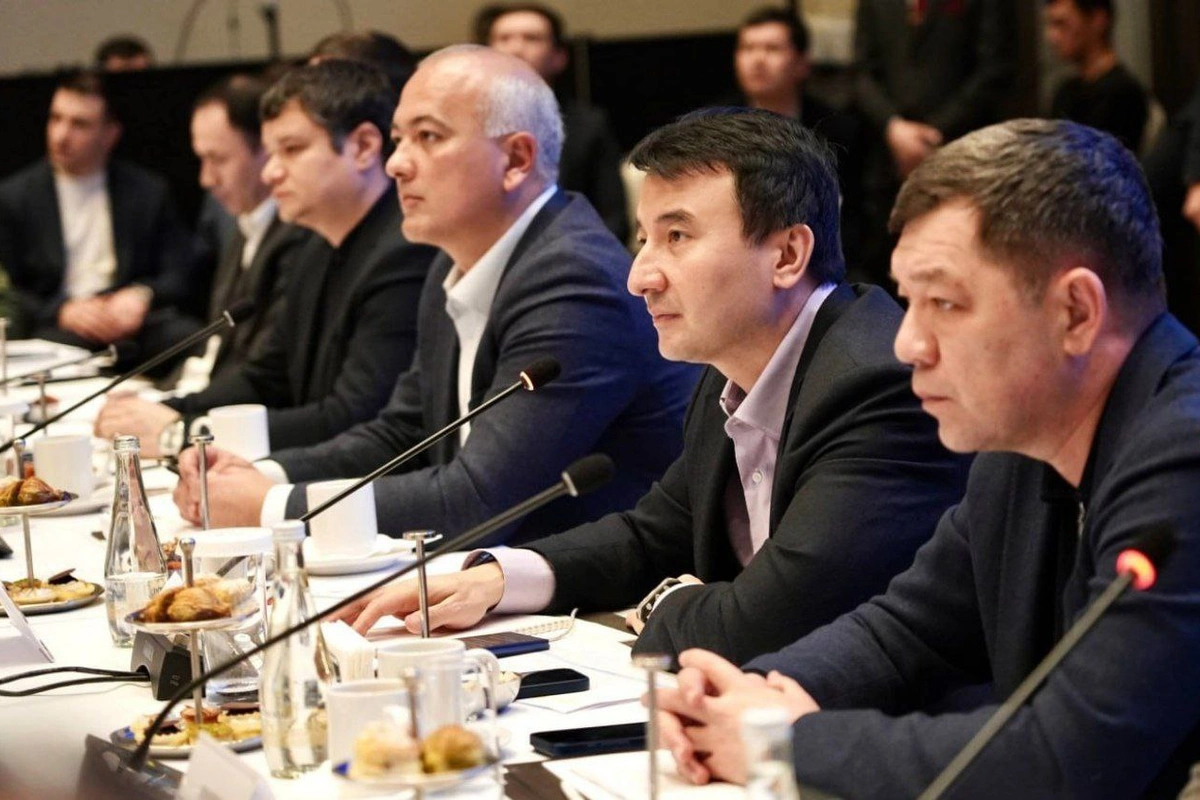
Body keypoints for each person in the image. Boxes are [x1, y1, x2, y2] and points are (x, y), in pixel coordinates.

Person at [652, 119, 1200, 799]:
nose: (909, 343)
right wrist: (748, 695)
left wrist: (780, 742)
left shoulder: (1183, 456)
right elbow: (906, 631)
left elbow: (1071, 757)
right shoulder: (1023, 440)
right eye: (909, 302)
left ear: (1076, 312)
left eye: (944, 302)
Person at [329, 108, 969, 664]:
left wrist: (662, 602)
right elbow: (653, 534)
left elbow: (768, 623)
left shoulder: (876, 386)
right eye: (644, 238)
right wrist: (497, 578)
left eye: (677, 237)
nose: (640, 277)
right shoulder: (732, 369)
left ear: (786, 255)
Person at [171, 45, 697, 544]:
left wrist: (272, 506)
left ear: (516, 159)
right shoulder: (454, 259)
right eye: (399, 138)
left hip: (595, 594)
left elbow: (476, 500)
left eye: (427, 137)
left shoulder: (573, 281)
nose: (397, 163)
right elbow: (402, 433)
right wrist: (259, 474)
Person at [128, 60, 435, 454]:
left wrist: (184, 431)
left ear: (362, 147)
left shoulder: (404, 253)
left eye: (291, 150)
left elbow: (354, 416)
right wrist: (169, 410)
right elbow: (266, 377)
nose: (271, 172)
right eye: (271, 153)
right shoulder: (314, 245)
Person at [94, 74, 311, 451]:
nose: (206, 178)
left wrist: (174, 415)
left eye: (218, 159)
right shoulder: (244, 225)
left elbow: (264, 372)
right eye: (202, 159)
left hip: (237, 428)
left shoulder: (298, 237)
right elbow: (217, 350)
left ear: (264, 151)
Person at [0, 70, 199, 369]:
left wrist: (141, 295)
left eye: (79, 124)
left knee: (192, 338)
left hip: (130, 320)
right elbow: (10, 289)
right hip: (62, 325)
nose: (61, 135)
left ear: (110, 134)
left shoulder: (147, 191)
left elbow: (180, 271)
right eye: (56, 119)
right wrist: (62, 310)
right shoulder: (15, 197)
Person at [853, 0, 1013, 286]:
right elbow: (861, 72)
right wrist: (893, 126)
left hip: (961, 153)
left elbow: (994, 69)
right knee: (887, 275)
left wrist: (934, 133)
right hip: (887, 156)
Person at [480, 3, 629, 243]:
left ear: (559, 57)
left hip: (568, 250)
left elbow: (613, 220)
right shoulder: (465, 125)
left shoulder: (588, 125)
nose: (516, 49)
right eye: (504, 38)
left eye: (531, 38)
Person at [732, 7, 864, 274]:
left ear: (802, 63)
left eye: (772, 49)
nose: (757, 60)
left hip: (831, 262)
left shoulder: (839, 128)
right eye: (748, 48)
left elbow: (861, 212)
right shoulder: (715, 128)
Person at [1045, 0, 1148, 152]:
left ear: (1097, 20)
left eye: (1061, 24)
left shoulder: (1121, 91)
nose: (1051, 36)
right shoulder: (1065, 90)